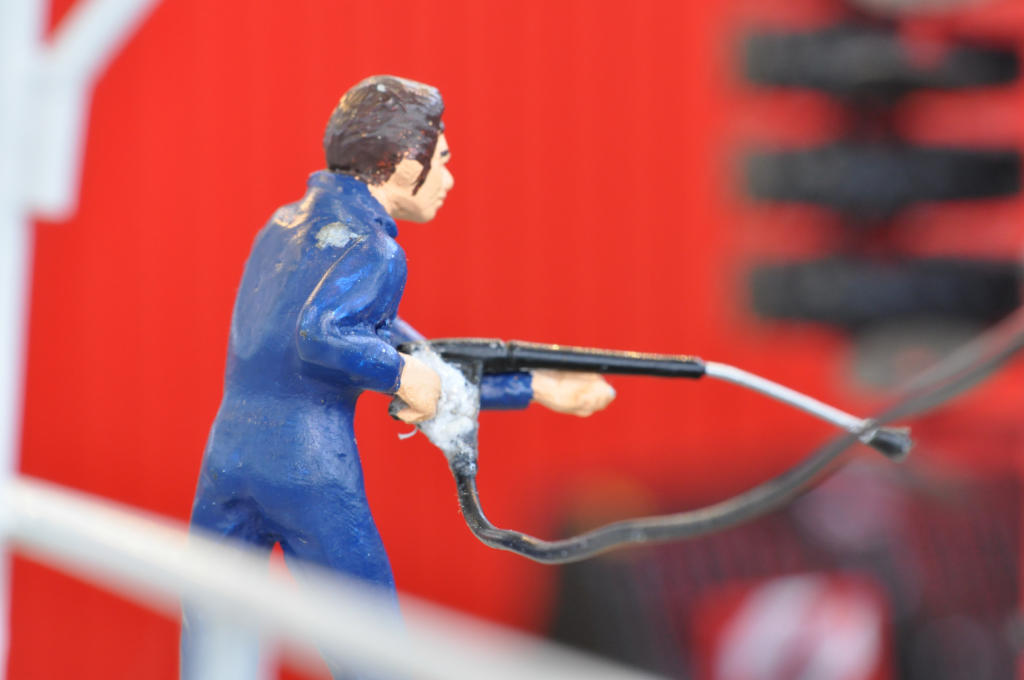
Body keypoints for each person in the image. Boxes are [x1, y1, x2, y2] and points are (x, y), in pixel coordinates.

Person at [182, 75, 614, 678]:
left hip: (226, 458)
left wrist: (535, 386)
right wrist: (401, 375)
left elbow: (416, 356)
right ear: (404, 164)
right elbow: (322, 335)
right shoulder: (375, 251)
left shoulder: (280, 227)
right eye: (442, 160)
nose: (448, 179)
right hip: (309, 469)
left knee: (213, 634)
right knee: (371, 647)